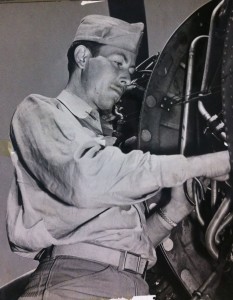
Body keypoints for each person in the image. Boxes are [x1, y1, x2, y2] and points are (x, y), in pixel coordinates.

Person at [7, 15, 230, 300]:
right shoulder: (39, 112)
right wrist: (210, 163)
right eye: (117, 63)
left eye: (130, 67)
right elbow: (86, 181)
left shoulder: (109, 149)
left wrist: (173, 210)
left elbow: (129, 247)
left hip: (134, 285)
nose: (126, 77)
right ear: (83, 56)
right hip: (73, 284)